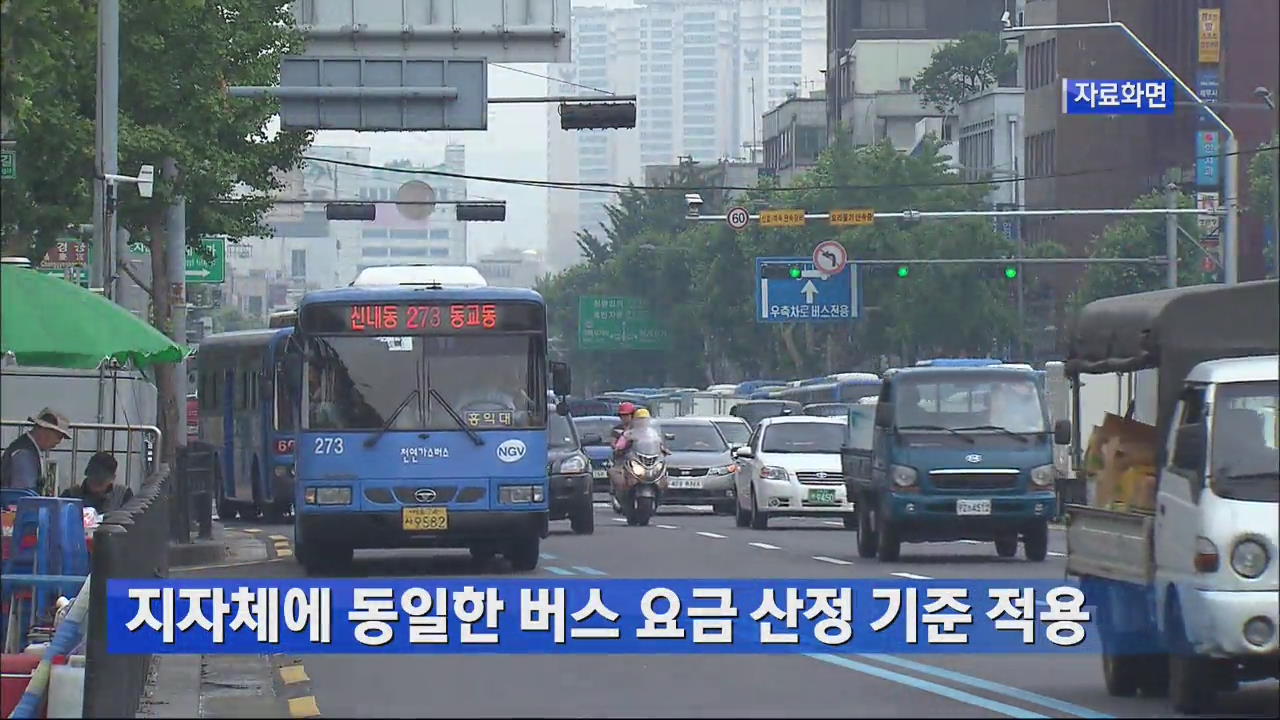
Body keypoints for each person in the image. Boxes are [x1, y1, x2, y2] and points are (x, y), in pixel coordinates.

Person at [2, 408, 72, 492]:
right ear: (44, 430)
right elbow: (24, 494)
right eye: (59, 436)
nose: (59, 441)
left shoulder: (25, 448)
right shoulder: (24, 454)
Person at [61, 451, 133, 514]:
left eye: (101, 482)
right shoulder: (70, 495)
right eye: (93, 478)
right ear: (87, 474)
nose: (96, 484)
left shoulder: (123, 495)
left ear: (112, 478)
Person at [307, 363, 343, 429]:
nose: (309, 375)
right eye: (308, 372)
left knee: (328, 406)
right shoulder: (305, 390)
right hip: (311, 422)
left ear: (317, 373)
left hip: (326, 420)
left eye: (311, 372)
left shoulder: (327, 389)